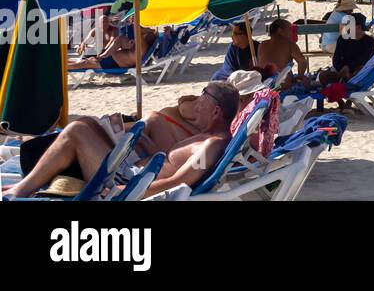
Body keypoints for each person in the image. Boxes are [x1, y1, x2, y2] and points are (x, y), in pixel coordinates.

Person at [3, 82, 241, 199]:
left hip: (128, 184)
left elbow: (179, 181)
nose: (197, 103)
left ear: (216, 111)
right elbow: (170, 161)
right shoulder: (207, 137)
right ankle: (28, 183)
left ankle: (21, 191)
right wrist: (142, 141)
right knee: (88, 123)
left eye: (203, 97)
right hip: (131, 171)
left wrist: (123, 190)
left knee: (77, 130)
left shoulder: (211, 146)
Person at [67, 21, 156, 71]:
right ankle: (64, 63)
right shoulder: (141, 43)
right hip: (114, 59)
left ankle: (64, 67)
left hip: (115, 62)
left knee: (86, 63)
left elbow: (137, 30)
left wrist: (103, 55)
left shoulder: (141, 46)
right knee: (88, 61)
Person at [331, 12, 374, 80]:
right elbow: (336, 58)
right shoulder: (342, 39)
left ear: (359, 27)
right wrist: (341, 69)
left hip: (359, 70)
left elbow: (365, 59)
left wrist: (349, 67)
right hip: (342, 70)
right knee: (323, 76)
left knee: (360, 71)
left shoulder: (370, 41)